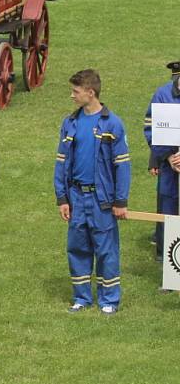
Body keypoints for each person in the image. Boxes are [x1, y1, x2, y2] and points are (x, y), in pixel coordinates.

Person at [54, 70, 129, 315]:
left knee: (106, 250)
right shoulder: (70, 122)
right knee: (78, 248)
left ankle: (109, 300)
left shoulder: (112, 124)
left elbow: (122, 166)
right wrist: (62, 197)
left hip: (102, 200)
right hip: (76, 197)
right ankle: (82, 298)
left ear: (91, 92)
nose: (72, 95)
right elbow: (61, 161)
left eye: (76, 91)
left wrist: (120, 200)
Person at [143, 68, 180, 261]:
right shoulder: (162, 95)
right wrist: (168, 157)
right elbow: (150, 128)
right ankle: (167, 261)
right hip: (169, 168)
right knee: (168, 210)